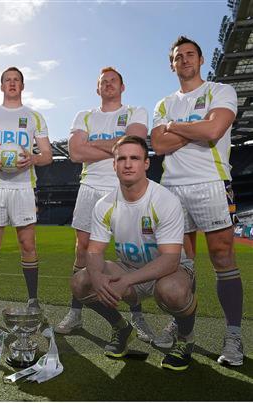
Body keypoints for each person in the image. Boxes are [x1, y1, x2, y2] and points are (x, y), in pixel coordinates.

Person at [151, 36, 242, 366]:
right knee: (180, 265)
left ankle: (233, 334)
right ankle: (183, 329)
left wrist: (177, 127)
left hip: (212, 184)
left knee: (222, 256)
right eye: (178, 56)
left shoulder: (219, 91)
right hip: (172, 189)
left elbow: (213, 131)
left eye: (190, 55)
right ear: (172, 64)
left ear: (201, 60)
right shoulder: (163, 104)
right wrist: (195, 127)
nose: (185, 60)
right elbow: (158, 145)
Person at [71, 135, 197, 371]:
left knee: (172, 291)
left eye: (135, 158)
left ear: (146, 164)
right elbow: (95, 251)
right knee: (81, 282)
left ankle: (185, 338)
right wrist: (98, 278)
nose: (128, 164)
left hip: (169, 272)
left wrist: (126, 281)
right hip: (129, 267)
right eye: (122, 159)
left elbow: (170, 259)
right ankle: (121, 327)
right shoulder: (105, 204)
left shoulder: (165, 200)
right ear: (114, 164)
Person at [57, 67, 154, 342]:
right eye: (103, 82)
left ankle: (137, 316)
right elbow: (76, 152)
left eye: (113, 81)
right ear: (97, 89)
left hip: (125, 186)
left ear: (122, 87)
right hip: (90, 187)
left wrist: (95, 144)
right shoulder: (84, 115)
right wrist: (115, 146)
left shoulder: (136, 112)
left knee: (131, 254)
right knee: (83, 251)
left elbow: (133, 145)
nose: (108, 85)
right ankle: (75, 312)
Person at [0, 67, 53, 322]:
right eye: (8, 80)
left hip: (23, 187)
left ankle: (33, 300)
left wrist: (33, 159)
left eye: (16, 80)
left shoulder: (35, 117)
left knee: (28, 245)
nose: (12, 83)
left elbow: (47, 156)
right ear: (2, 86)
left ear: (22, 86)